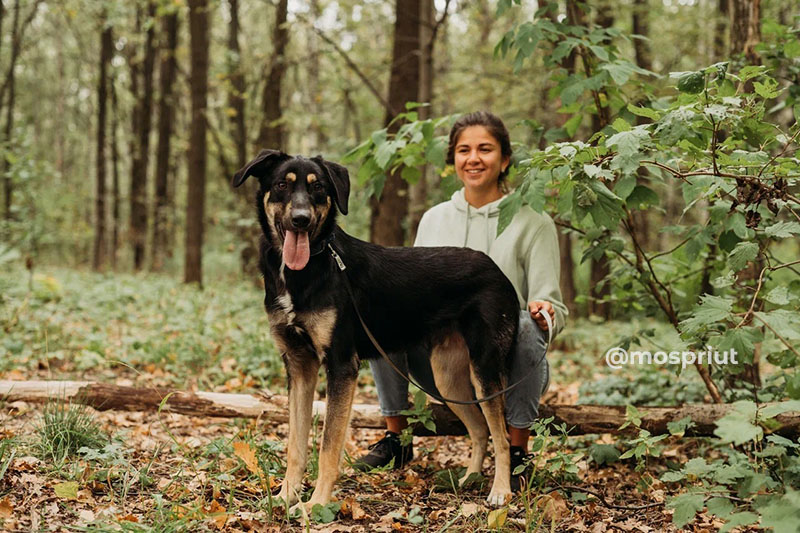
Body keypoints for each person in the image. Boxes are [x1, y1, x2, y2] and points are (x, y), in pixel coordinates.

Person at [354, 111, 567, 490]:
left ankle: (517, 453)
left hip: (506, 360)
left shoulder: (533, 221)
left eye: (485, 149)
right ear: (453, 160)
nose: (474, 158)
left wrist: (544, 310)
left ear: (504, 160)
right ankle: (397, 439)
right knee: (382, 315)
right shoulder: (434, 219)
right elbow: (412, 293)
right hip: (441, 355)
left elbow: (553, 307)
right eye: (464, 150)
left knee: (525, 324)